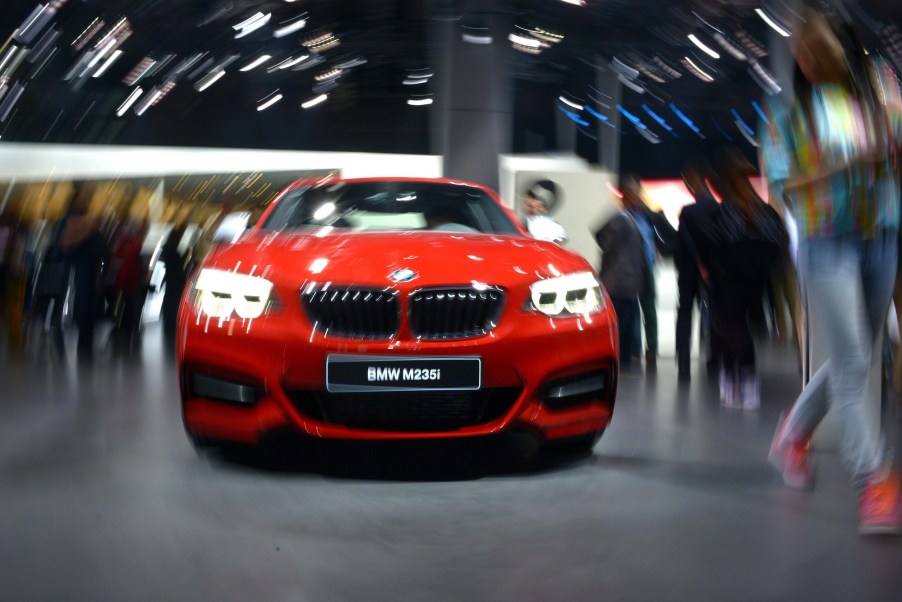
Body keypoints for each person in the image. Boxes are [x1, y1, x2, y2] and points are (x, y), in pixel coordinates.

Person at [760, 5, 902, 535]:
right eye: (803, 52)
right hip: (826, 243)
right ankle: (875, 479)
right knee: (852, 365)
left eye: (820, 48)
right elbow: (781, 186)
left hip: (882, 233)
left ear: (844, 45)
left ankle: (792, 434)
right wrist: (839, 165)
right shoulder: (786, 112)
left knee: (858, 354)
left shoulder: (881, 89)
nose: (811, 59)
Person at [693, 147, 788, 409]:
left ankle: (737, 384)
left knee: (730, 328)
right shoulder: (766, 212)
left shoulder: (725, 212)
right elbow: (778, 245)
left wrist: (712, 271)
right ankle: (744, 385)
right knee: (740, 329)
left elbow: (710, 245)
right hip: (757, 280)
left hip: (729, 281)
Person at [675, 158, 721, 382]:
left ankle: (684, 364)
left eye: (688, 179)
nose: (687, 183)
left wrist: (698, 261)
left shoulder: (688, 212)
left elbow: (683, 242)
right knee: (714, 315)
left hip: (689, 272)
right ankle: (715, 361)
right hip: (711, 272)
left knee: (685, 315)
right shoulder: (717, 208)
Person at [594, 181, 646, 371]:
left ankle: (623, 357)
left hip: (625, 280)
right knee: (622, 323)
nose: (639, 199)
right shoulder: (621, 219)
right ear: (627, 196)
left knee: (626, 321)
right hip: (620, 281)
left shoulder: (627, 219)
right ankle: (620, 359)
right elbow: (599, 234)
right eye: (635, 195)